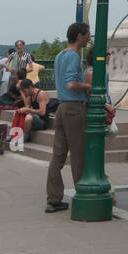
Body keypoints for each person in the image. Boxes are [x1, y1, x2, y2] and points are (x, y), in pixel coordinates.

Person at [45, 22, 91, 214]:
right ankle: (82, 195)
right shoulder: (73, 56)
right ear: (80, 36)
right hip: (74, 107)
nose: (89, 38)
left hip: (62, 107)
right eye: (88, 34)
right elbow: (71, 84)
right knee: (79, 153)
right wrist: (89, 86)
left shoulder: (60, 55)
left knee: (58, 155)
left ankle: (54, 198)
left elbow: (61, 82)